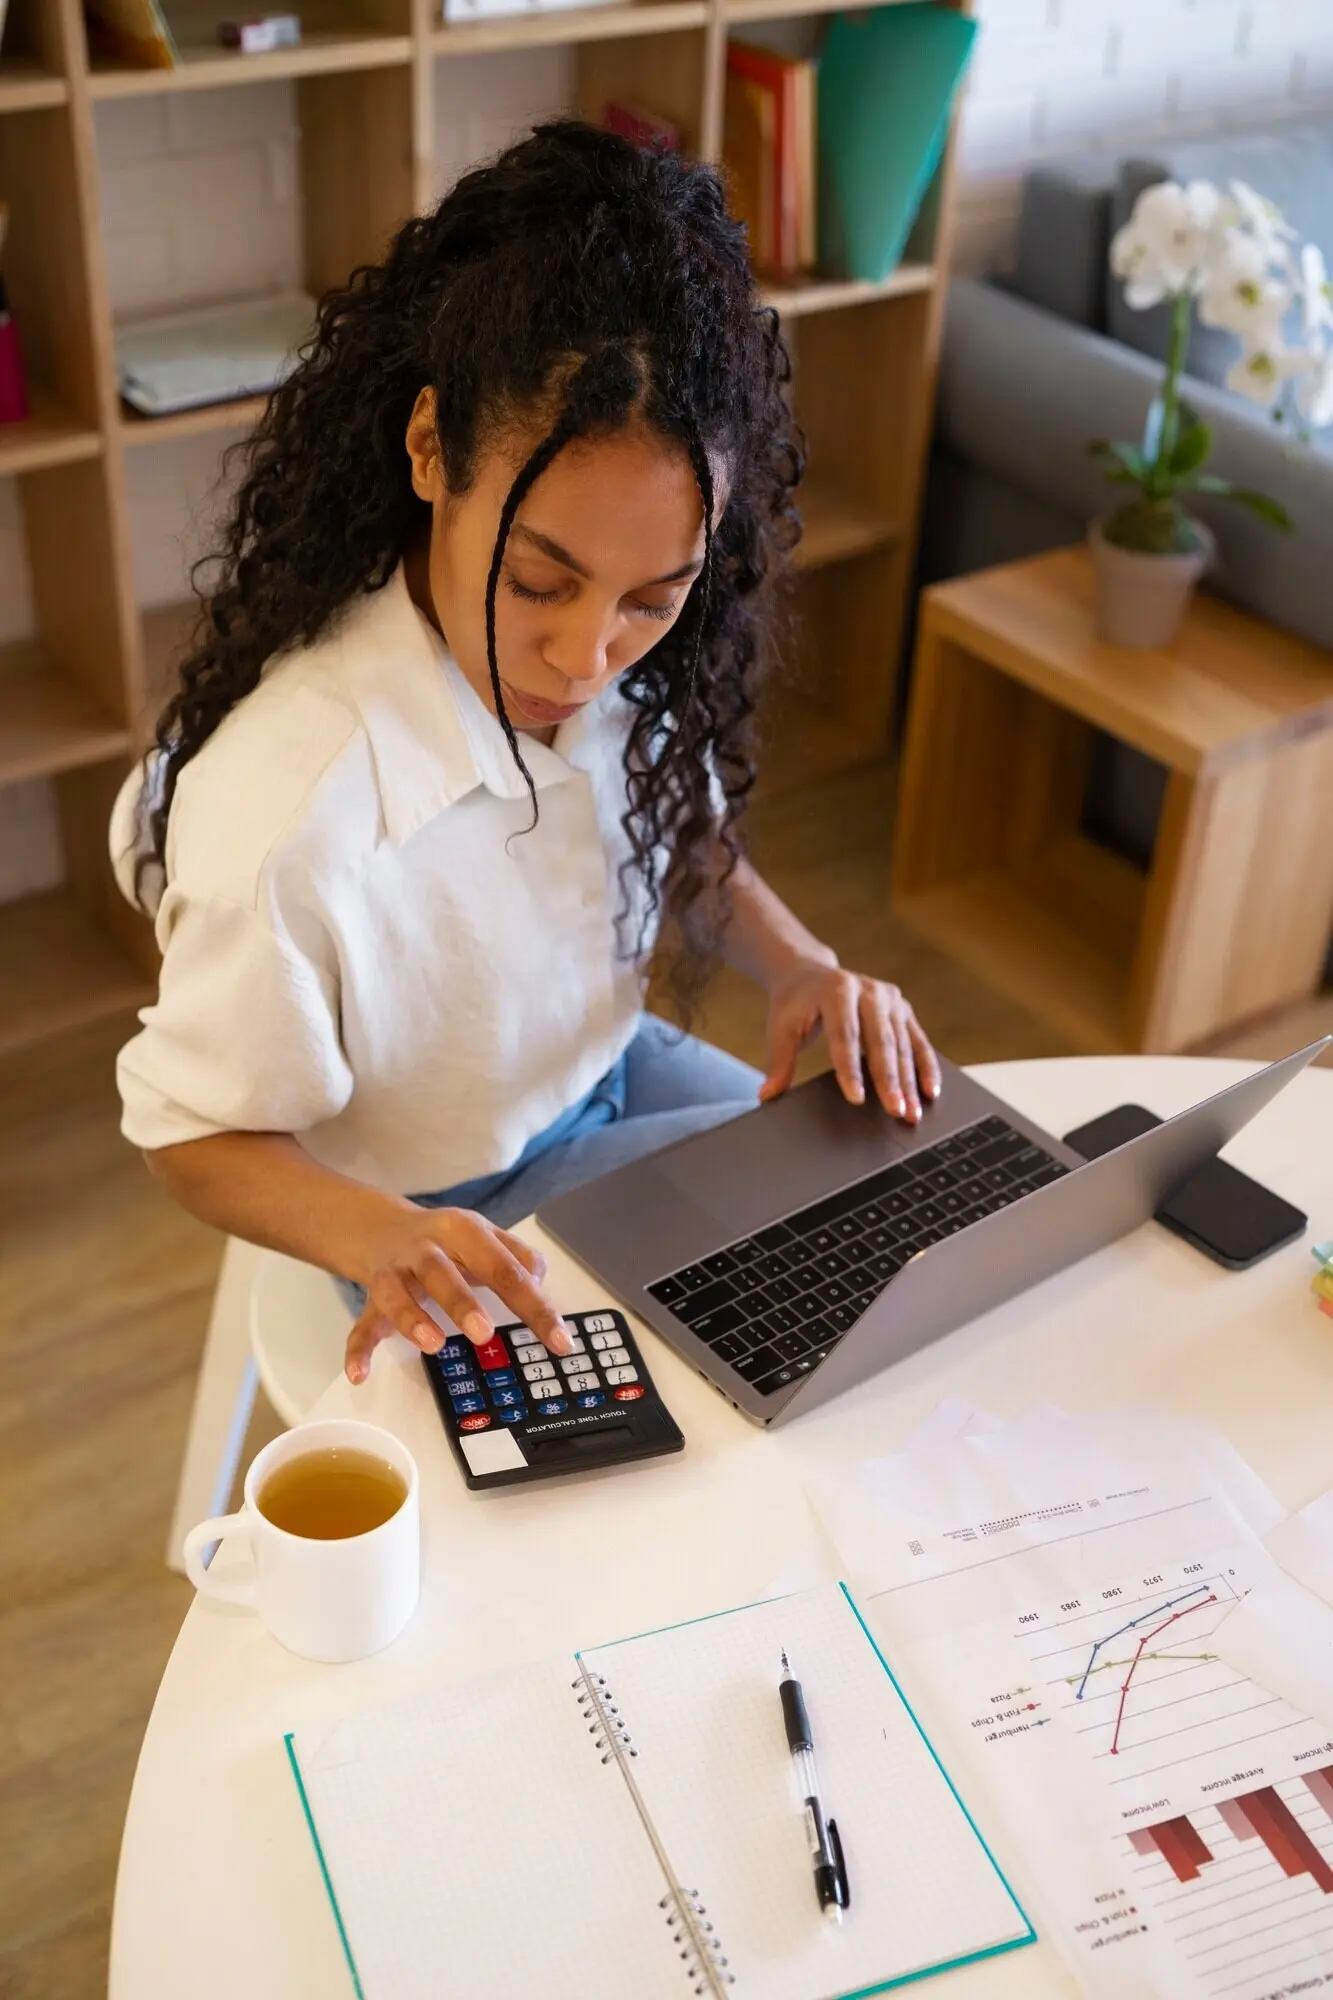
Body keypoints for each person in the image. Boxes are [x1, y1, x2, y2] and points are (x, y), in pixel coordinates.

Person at [110, 119, 940, 1388]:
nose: (585, 655)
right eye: (541, 579)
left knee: (898, 1196)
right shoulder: (296, 819)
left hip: (606, 1068)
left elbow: (678, 840)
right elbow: (191, 1130)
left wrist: (800, 968)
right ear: (431, 446)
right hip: (449, 1197)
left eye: (651, 599)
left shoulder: (612, 671)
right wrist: (376, 1232)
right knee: (833, 1302)